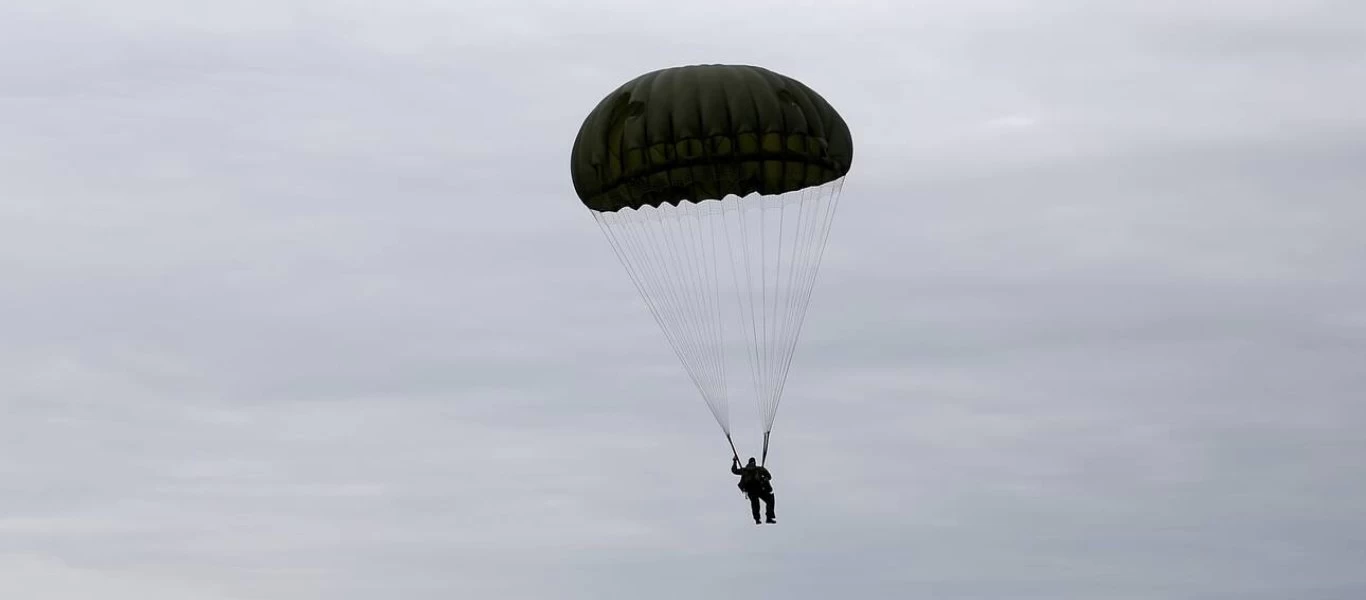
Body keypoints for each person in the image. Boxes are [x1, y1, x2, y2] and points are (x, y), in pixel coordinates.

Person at [731, 457, 776, 524]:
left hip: (753, 490)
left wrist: (734, 461)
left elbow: (734, 471)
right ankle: (768, 517)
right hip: (757, 489)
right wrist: (764, 477)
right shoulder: (758, 469)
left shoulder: (746, 470)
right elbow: (769, 477)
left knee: (756, 504)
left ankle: (758, 519)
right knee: (768, 500)